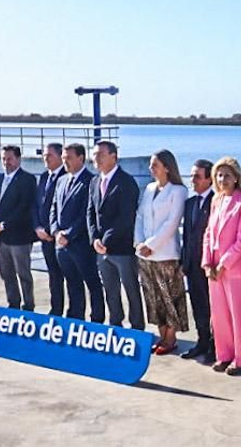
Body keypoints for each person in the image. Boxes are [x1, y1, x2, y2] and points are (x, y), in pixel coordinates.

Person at [202, 157, 241, 375]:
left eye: (227, 175)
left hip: (234, 269)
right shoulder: (216, 200)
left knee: (237, 315)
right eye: (219, 175)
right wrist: (207, 262)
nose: (222, 179)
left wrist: (224, 264)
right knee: (219, 315)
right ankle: (224, 355)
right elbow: (208, 233)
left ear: (236, 178)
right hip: (214, 268)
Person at [135, 149, 190, 355]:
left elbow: (172, 222)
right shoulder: (149, 188)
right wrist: (139, 243)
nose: (151, 168)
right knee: (153, 297)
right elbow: (140, 216)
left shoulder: (178, 191)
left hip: (165, 253)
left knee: (169, 297)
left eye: (155, 165)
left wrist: (152, 244)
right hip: (145, 254)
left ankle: (171, 338)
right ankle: (161, 334)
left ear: (167, 167)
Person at [87, 139, 145, 330]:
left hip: (122, 247)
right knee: (110, 290)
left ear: (114, 156)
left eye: (101, 155)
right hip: (101, 249)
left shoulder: (126, 182)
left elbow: (126, 216)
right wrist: (94, 238)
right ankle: (115, 324)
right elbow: (90, 212)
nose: (96, 159)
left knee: (131, 288)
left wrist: (106, 240)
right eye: (94, 155)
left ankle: (136, 327)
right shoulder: (95, 181)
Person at [49, 143, 102, 321]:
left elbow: (87, 213)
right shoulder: (62, 180)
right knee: (72, 283)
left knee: (92, 283)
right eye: (63, 158)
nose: (65, 162)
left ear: (81, 158)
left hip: (80, 243)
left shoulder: (90, 181)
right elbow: (54, 208)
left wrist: (69, 234)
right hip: (61, 244)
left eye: (69, 158)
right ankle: (75, 317)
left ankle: (97, 319)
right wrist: (56, 231)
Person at [0, 144, 38, 311]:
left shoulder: (27, 180)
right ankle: (13, 303)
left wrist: (4, 225)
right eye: (3, 159)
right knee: (6, 273)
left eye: (9, 159)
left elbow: (24, 207)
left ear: (18, 159)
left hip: (19, 236)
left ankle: (28, 305)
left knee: (23, 273)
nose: (6, 162)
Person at [180, 159, 216, 361]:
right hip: (192, 265)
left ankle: (215, 345)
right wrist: (184, 262)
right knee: (198, 305)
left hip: (210, 265)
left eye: (197, 176)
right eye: (192, 176)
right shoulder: (190, 203)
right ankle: (202, 341)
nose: (192, 180)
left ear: (209, 179)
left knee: (213, 308)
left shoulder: (216, 202)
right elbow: (187, 235)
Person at [33, 143, 67, 317]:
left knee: (70, 277)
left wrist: (52, 231)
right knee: (53, 276)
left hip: (60, 236)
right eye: (44, 155)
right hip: (43, 235)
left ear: (61, 157)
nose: (45, 159)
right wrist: (37, 227)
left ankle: (74, 313)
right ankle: (56, 309)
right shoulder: (44, 176)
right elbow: (36, 204)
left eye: (50, 155)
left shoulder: (66, 176)